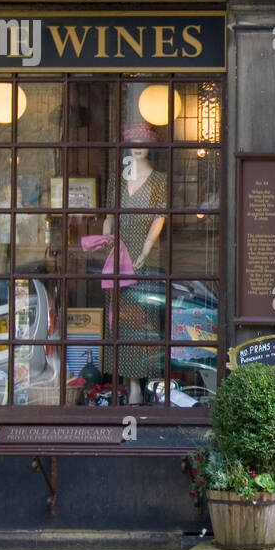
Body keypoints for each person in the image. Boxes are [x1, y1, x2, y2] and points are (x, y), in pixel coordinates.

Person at [96, 121, 168, 404]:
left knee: (140, 321)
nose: (138, 147)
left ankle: (137, 385)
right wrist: (106, 239)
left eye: (143, 141)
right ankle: (128, 384)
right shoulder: (118, 178)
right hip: (119, 255)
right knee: (119, 322)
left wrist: (146, 250)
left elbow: (159, 218)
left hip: (142, 258)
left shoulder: (159, 180)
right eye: (134, 142)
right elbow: (110, 216)